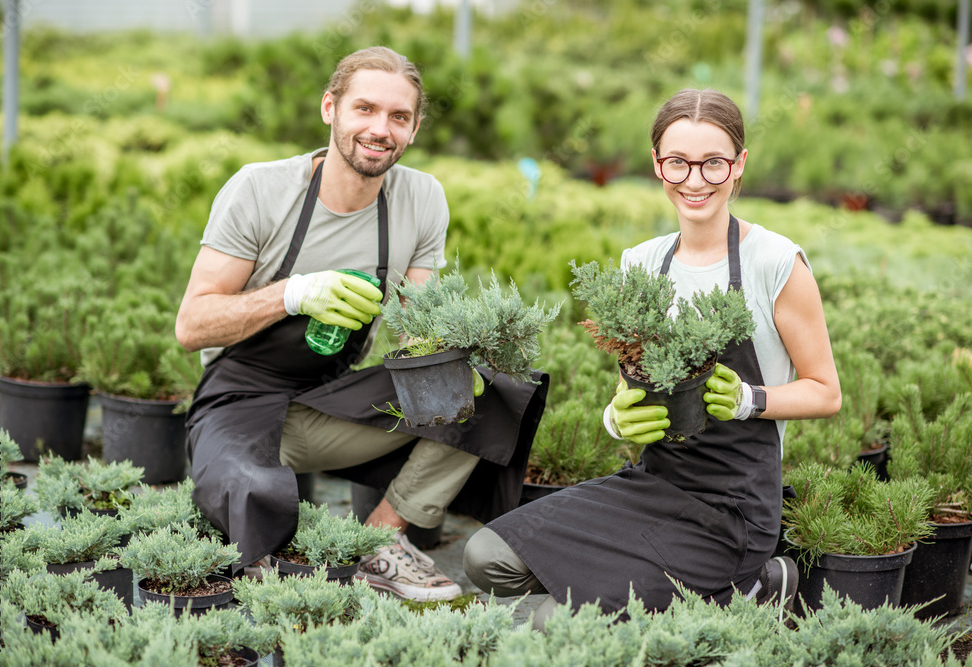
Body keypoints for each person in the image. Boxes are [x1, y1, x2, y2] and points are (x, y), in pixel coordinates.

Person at [176, 46, 548, 601]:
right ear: (330, 108)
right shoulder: (260, 190)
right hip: (240, 399)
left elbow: (418, 330)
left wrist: (460, 348)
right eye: (365, 109)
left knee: (490, 393)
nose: (381, 129)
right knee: (250, 494)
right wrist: (295, 293)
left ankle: (380, 543)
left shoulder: (420, 199)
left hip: (330, 400)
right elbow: (192, 324)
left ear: (415, 128)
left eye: (399, 117)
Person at [464, 88, 842, 626]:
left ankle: (752, 584)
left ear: (738, 166)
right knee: (486, 558)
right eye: (678, 163)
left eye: (712, 163)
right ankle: (731, 592)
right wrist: (616, 418)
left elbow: (826, 392)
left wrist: (747, 400)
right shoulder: (642, 263)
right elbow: (631, 387)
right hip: (653, 486)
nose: (694, 180)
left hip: (733, 511)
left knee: (554, 622)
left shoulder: (775, 263)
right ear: (657, 166)